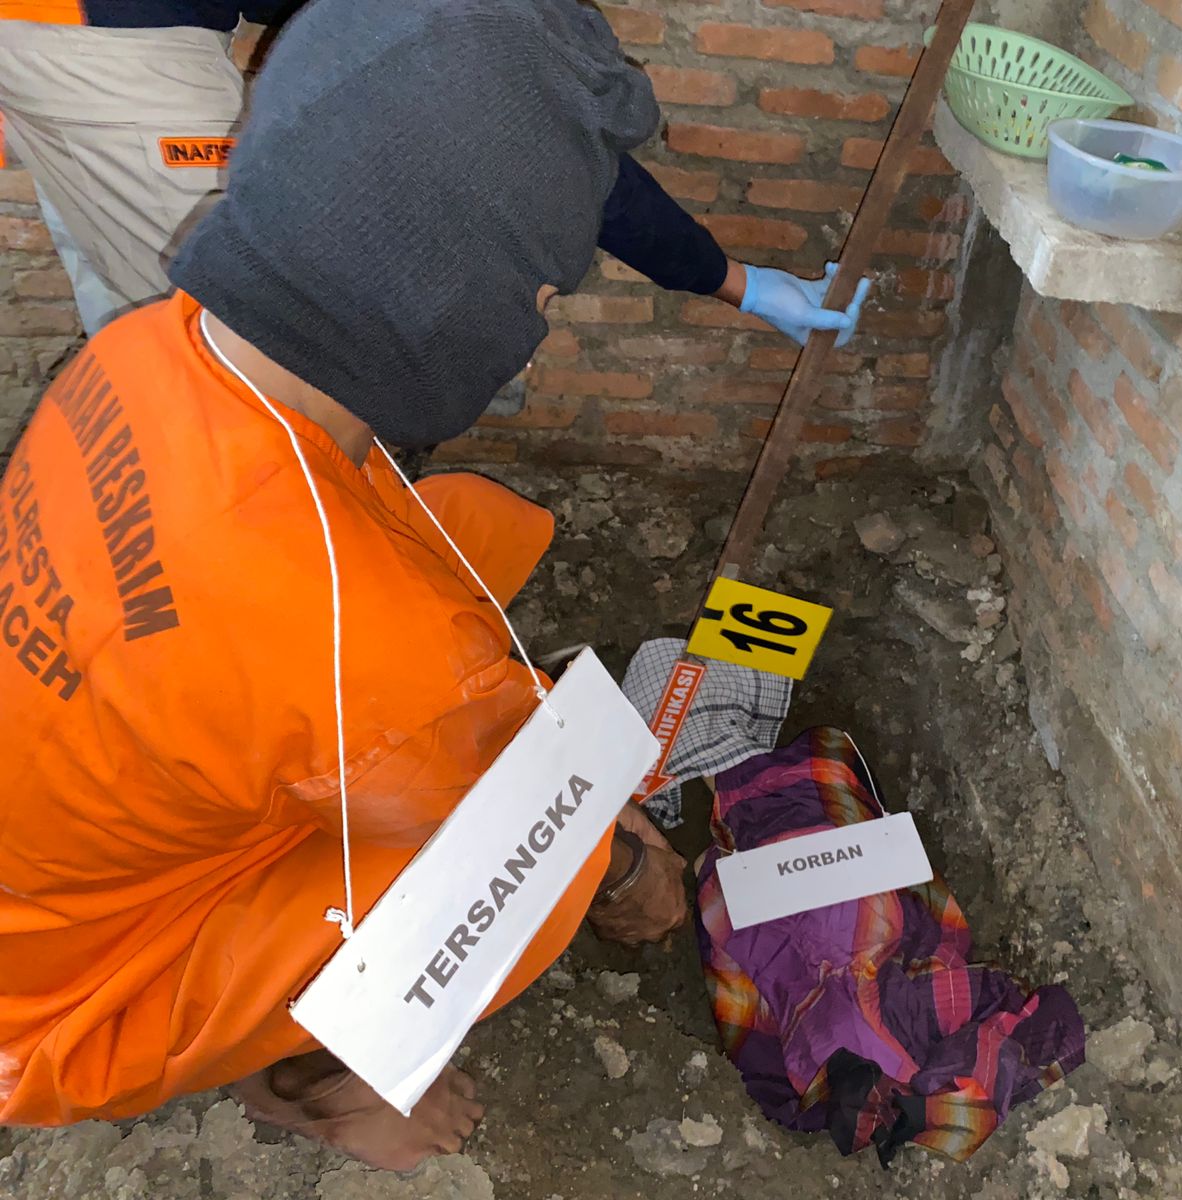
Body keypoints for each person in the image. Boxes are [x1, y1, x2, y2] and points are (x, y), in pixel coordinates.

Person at [0, 0, 798, 1171]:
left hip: (86, 809)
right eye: (542, 289)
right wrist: (632, 871)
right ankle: (304, 1077)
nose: (538, 313)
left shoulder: (142, 348)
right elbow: (512, 813)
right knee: (524, 882)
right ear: (440, 295)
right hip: (51, 1004)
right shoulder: (367, 649)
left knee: (462, 536)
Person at [0, 0, 868, 346]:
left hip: (91, 22)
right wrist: (734, 283)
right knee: (227, 318)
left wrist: (738, 282)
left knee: (127, 280)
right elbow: (550, 142)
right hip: (100, 25)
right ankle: (209, 557)